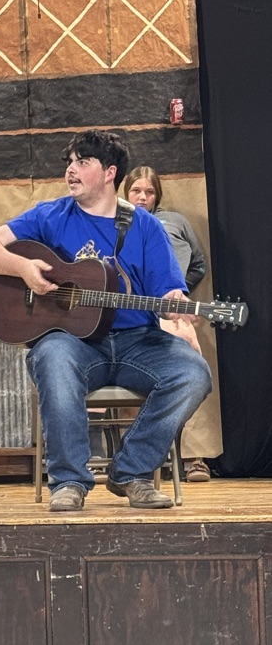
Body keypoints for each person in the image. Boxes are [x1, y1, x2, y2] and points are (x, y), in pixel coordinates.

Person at [0, 130, 212, 513]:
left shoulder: (144, 226)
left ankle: (131, 471)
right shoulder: (50, 215)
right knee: (52, 359)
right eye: (69, 162)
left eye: (83, 162)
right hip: (74, 342)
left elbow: (168, 294)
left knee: (193, 374)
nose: (71, 170)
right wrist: (24, 268)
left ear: (110, 172)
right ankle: (68, 481)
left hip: (138, 340)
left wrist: (176, 304)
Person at [123, 165, 213, 482]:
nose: (144, 197)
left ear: (157, 194)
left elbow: (199, 262)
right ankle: (142, 461)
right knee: (136, 385)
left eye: (149, 191)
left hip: (173, 313)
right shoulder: (117, 225)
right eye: (137, 191)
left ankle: (193, 457)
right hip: (135, 316)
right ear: (126, 192)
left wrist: (177, 292)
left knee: (191, 372)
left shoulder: (176, 222)